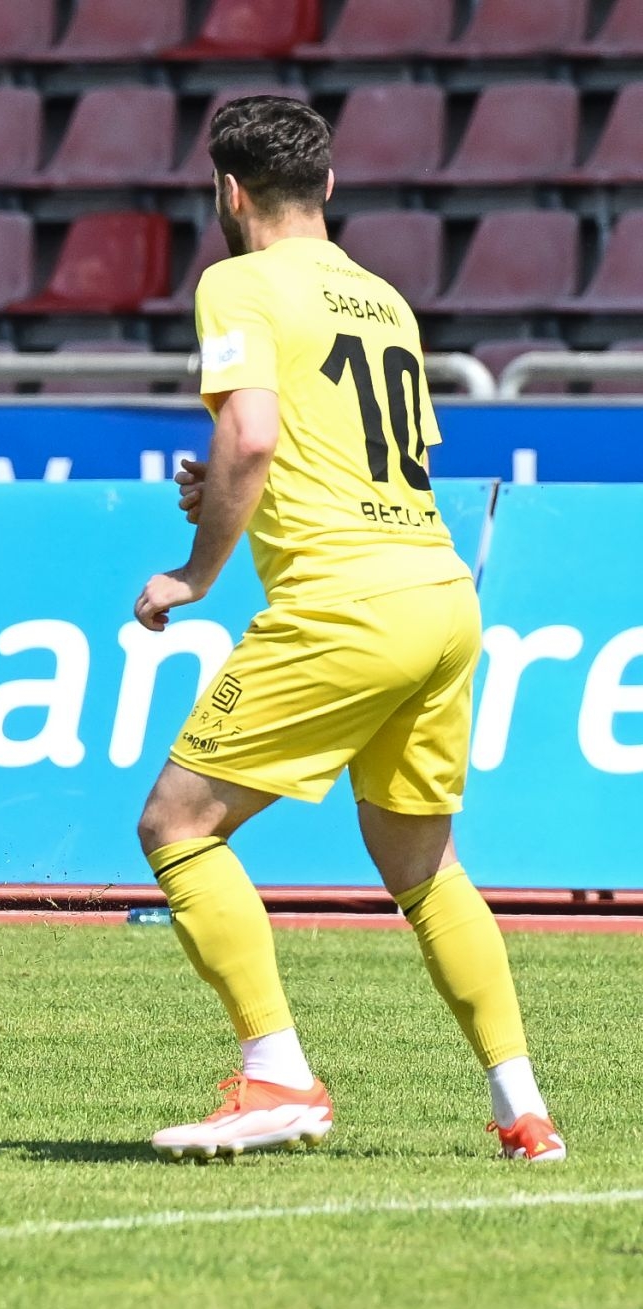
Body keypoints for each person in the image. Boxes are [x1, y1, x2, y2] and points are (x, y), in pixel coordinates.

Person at [132, 95, 562, 1163]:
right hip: (439, 591)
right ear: (327, 185)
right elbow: (354, 453)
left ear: (228, 190)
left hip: (343, 601)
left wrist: (196, 571)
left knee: (177, 825)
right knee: (424, 865)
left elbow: (254, 433)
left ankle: (278, 1076)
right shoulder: (383, 299)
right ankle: (524, 1107)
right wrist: (232, 485)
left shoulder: (235, 281)